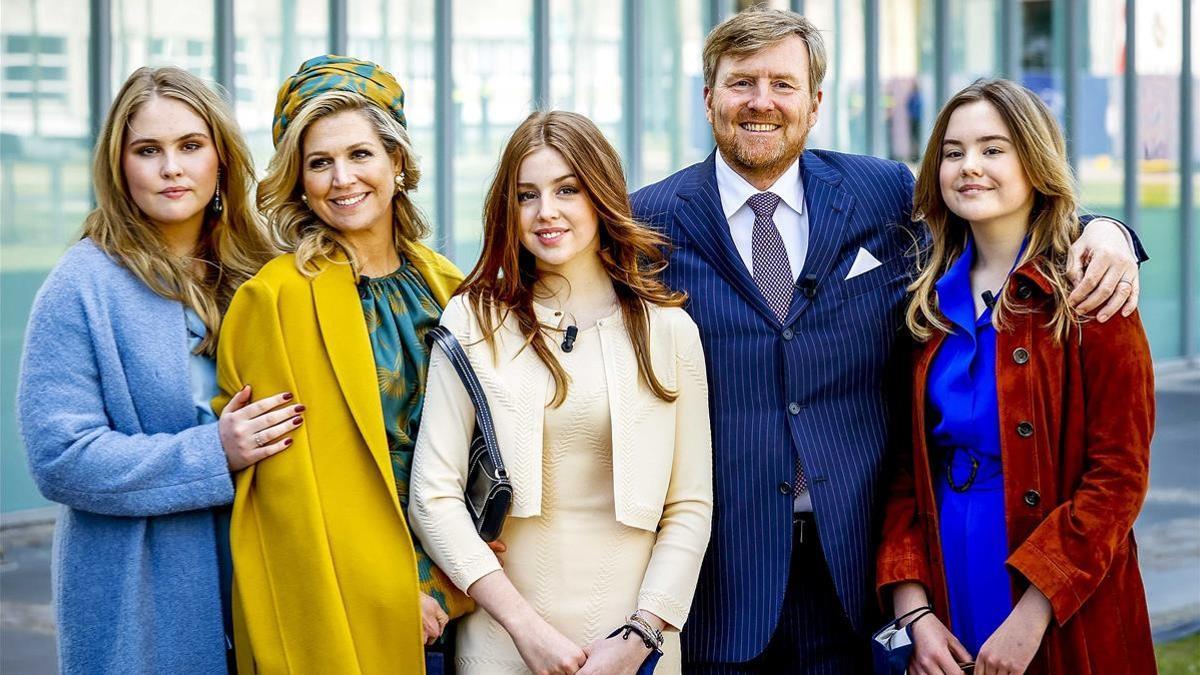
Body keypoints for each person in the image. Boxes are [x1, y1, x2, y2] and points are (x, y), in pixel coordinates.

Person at [628, 8, 1146, 673]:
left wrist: (1106, 233)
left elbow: (993, 215)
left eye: (783, 84)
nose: (762, 101)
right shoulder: (646, 222)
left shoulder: (881, 194)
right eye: (741, 83)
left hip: (854, 577)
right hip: (722, 579)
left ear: (815, 103)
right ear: (708, 98)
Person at [408, 110, 714, 675]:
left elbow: (690, 506)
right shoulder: (474, 319)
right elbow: (433, 495)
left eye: (567, 189)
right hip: (503, 641)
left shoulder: (669, 330)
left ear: (600, 195)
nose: (546, 212)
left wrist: (641, 635)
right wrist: (525, 630)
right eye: (527, 195)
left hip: (636, 647)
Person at [876, 79, 1156, 675]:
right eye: (953, 152)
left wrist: (1032, 617)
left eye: (993, 149)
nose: (969, 167)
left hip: (1057, 586)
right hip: (948, 567)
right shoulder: (924, 304)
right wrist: (914, 613)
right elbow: (904, 467)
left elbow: (1119, 477)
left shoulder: (1091, 293)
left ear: (1035, 161)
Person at [17, 66, 290, 674]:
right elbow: (60, 457)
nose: (172, 167)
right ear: (120, 166)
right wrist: (212, 453)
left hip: (267, 570)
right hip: (143, 589)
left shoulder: (267, 272)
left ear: (221, 157)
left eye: (191, 146)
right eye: (148, 150)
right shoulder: (81, 285)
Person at [213, 56, 470, 673]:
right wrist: (389, 592)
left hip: (475, 586)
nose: (342, 178)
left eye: (360, 154)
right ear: (297, 180)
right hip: (358, 608)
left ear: (397, 162)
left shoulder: (451, 286)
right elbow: (288, 497)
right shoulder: (273, 300)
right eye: (319, 162)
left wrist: (461, 575)